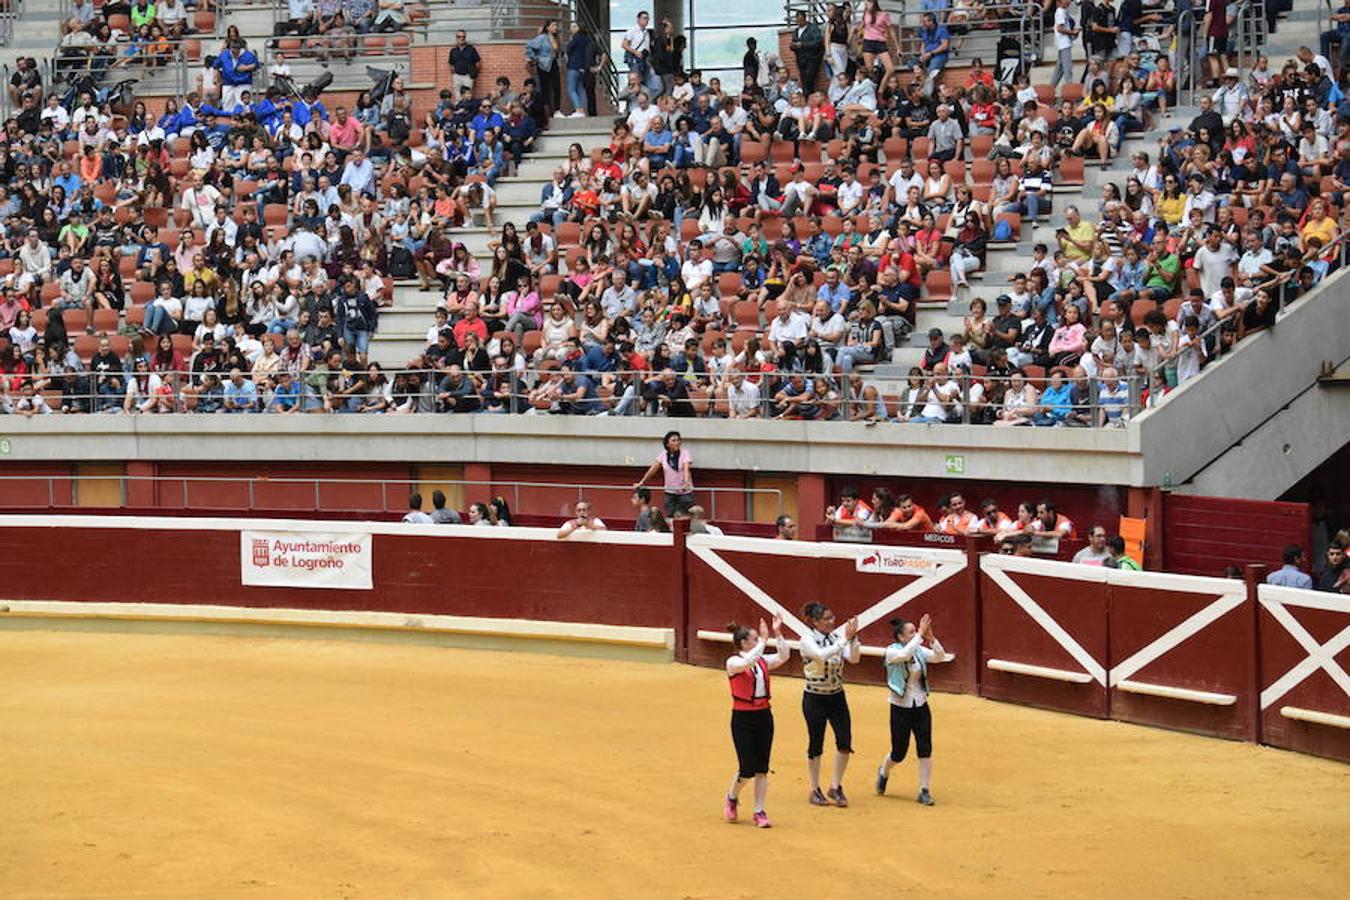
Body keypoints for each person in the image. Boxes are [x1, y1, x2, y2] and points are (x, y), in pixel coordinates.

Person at [723, 614, 790, 828]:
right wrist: (763, 641)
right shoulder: (733, 662)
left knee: (762, 767)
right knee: (747, 768)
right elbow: (748, 661)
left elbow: (784, 655)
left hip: (763, 716)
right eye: (753, 639)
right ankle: (732, 796)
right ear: (743, 643)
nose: (759, 641)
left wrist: (777, 633)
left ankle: (759, 810)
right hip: (743, 718)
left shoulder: (762, 660)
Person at [799, 602, 861, 808]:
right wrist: (845, 639)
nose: (831, 621)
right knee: (816, 743)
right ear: (815, 621)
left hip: (836, 696)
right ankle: (814, 788)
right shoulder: (807, 639)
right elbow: (821, 655)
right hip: (814, 697)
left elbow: (854, 659)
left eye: (832, 617)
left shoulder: (836, 638)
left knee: (845, 742)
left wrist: (853, 640)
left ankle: (835, 786)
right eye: (827, 618)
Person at [877, 613, 943, 806]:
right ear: (901, 637)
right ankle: (884, 771)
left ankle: (924, 790)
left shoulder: (919, 650)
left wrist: (931, 638)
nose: (916, 634)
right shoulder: (891, 651)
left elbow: (940, 657)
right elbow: (905, 655)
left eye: (916, 631)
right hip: (900, 708)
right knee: (899, 752)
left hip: (920, 704)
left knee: (925, 748)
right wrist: (921, 635)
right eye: (912, 632)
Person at [633, 430, 694, 517]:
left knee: (683, 518)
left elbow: (686, 468)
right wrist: (641, 482)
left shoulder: (685, 453)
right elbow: (652, 470)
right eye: (673, 440)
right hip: (670, 492)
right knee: (670, 517)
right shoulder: (663, 455)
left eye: (678, 440)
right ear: (667, 444)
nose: (677, 442)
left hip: (685, 493)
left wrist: (686, 482)